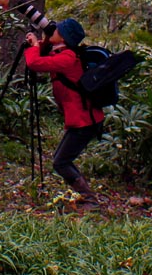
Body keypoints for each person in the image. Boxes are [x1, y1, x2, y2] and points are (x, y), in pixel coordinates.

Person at [24, 17, 103, 205]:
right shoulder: (63, 52)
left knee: (61, 162)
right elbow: (45, 55)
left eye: (57, 30)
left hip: (85, 121)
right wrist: (40, 42)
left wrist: (35, 46)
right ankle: (88, 197)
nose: (54, 30)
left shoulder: (68, 58)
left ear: (65, 38)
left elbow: (35, 63)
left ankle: (90, 199)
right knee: (61, 160)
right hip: (82, 119)